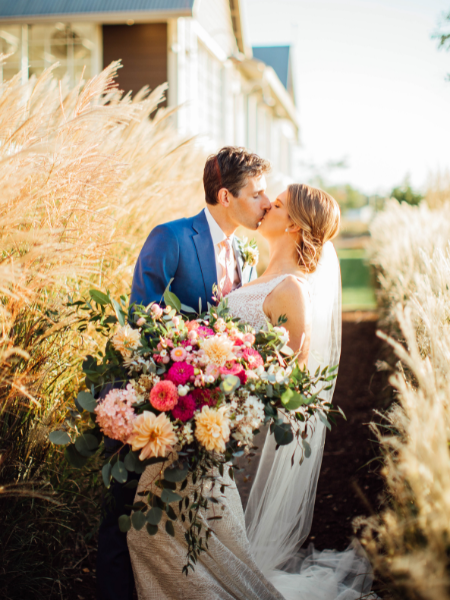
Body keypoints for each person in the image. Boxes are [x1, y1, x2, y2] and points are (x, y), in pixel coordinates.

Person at [127, 184, 377, 599]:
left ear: (294, 225)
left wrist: (232, 400)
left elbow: (292, 384)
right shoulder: (254, 273)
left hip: (221, 434)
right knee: (160, 536)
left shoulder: (293, 291)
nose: (265, 207)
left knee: (165, 536)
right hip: (200, 423)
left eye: (276, 204)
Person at [96, 146, 271, 600]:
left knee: (183, 518)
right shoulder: (170, 237)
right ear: (226, 196)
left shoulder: (244, 254)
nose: (266, 204)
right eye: (257, 194)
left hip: (203, 410)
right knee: (125, 513)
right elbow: (141, 322)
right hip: (151, 404)